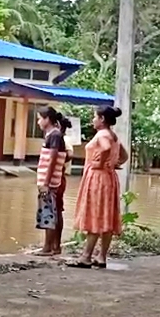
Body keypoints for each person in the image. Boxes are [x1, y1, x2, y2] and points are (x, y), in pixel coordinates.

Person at [68, 106, 128, 269]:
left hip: (98, 178)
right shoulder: (113, 135)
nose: (93, 120)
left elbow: (106, 148)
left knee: (95, 214)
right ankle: (101, 256)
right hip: (109, 178)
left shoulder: (102, 134)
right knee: (106, 216)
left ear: (102, 119)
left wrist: (100, 163)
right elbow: (124, 155)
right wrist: (114, 164)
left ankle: (86, 256)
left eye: (95, 117)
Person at [34, 106, 67, 256]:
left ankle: (48, 247)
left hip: (51, 183)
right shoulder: (54, 135)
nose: (38, 122)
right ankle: (55, 246)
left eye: (40, 118)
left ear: (47, 119)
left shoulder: (54, 135)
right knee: (55, 212)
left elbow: (52, 160)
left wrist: (46, 183)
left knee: (49, 213)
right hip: (52, 181)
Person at [54, 117, 74, 255]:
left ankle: (56, 245)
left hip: (58, 178)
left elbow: (70, 155)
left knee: (57, 210)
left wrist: (58, 158)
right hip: (57, 177)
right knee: (55, 210)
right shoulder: (59, 138)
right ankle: (54, 244)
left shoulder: (63, 140)